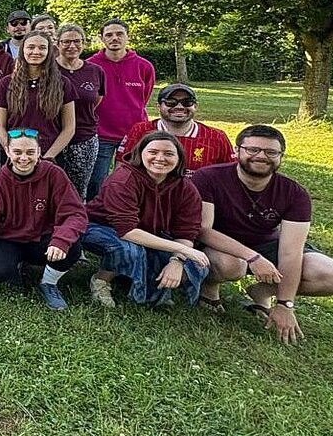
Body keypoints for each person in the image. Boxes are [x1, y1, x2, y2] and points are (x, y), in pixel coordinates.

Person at [193, 125, 333, 344]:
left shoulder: (294, 193)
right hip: (220, 247)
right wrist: (253, 257)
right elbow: (203, 231)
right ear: (237, 151)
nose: (261, 156)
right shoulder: (209, 177)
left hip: (267, 244)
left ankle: (263, 291)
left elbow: (290, 252)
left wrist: (285, 304)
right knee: (233, 265)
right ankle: (210, 288)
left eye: (271, 152)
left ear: (280, 156)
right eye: (252, 150)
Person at [84, 131, 209, 308]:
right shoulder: (122, 180)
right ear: (140, 153)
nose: (160, 158)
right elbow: (127, 231)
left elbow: (186, 232)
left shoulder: (186, 188)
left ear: (179, 158)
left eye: (168, 153)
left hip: (148, 232)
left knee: (196, 263)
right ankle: (101, 280)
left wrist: (177, 260)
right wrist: (182, 249)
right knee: (131, 249)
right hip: (99, 227)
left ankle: (141, 281)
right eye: (153, 152)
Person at [0, 130, 88, 310]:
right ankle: (17, 274)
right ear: (7, 151)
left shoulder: (54, 174)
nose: (23, 158)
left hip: (44, 240)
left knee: (72, 246)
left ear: (39, 151)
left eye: (30, 152)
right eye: (17, 152)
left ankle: (48, 283)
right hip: (10, 240)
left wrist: (61, 240)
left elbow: (75, 213)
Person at [86, 19, 157, 197]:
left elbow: (144, 98)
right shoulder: (91, 66)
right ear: (102, 38)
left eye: (119, 34)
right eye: (109, 35)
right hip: (101, 134)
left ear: (127, 37)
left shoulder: (144, 66)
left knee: (131, 182)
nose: (114, 38)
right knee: (96, 182)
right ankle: (96, 213)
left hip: (134, 135)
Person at [0, 33, 76, 160]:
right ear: (23, 50)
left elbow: (69, 127)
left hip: (50, 155)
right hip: (15, 157)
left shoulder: (63, 83)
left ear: (49, 51)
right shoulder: (6, 84)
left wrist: (48, 157)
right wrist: (12, 151)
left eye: (42, 47)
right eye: (31, 47)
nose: (36, 52)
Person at [117, 84, 234, 172]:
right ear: (159, 106)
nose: (179, 106)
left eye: (187, 102)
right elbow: (122, 168)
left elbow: (231, 174)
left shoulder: (216, 137)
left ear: (196, 106)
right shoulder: (141, 131)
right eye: (171, 102)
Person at [53, 22, 105, 198]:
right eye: (66, 42)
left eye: (77, 41)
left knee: (78, 189)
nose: (72, 46)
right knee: (52, 187)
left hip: (84, 138)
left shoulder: (95, 71)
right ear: (58, 43)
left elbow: (96, 99)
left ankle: (77, 214)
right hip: (53, 137)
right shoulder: (49, 70)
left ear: (84, 43)